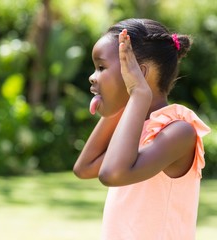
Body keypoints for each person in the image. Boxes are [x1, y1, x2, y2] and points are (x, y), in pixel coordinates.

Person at [73, 18, 211, 239]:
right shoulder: (137, 127)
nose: (92, 76)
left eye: (101, 67)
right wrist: (124, 103)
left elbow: (112, 174)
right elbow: (85, 167)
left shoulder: (179, 132)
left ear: (140, 73)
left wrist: (138, 92)